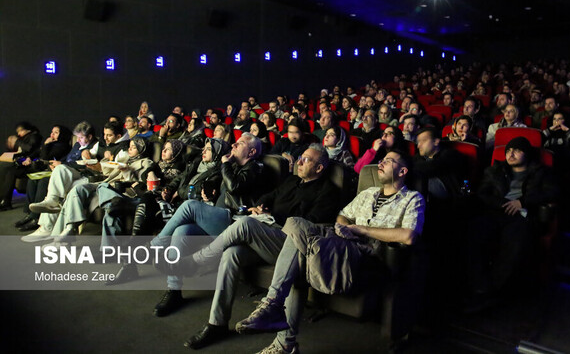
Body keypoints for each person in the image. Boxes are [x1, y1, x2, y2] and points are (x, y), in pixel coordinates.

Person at [233, 150, 424, 354]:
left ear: (402, 171)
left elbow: (409, 235)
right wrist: (344, 229)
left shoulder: (413, 198)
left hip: (369, 257)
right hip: (343, 244)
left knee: (297, 240)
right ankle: (278, 321)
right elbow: (342, 216)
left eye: (388, 161)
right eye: (382, 159)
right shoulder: (368, 193)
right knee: (296, 231)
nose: (381, 163)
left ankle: (278, 325)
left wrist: (360, 230)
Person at [161, 144, 340, 349]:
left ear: (319, 168)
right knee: (231, 253)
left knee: (245, 223)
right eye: (300, 157)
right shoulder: (292, 181)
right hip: (268, 235)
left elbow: (309, 225)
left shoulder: (328, 192)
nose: (299, 161)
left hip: (291, 244)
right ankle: (216, 323)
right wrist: (261, 206)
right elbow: (271, 196)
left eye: (306, 159)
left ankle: (197, 261)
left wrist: (275, 216)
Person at [149, 133, 266, 313]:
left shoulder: (255, 168)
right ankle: (174, 290)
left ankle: (156, 244)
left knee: (190, 206)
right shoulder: (233, 166)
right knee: (182, 231)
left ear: (251, 152)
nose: (234, 144)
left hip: (235, 223)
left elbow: (235, 187)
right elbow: (226, 191)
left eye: (240, 143)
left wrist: (225, 164)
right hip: (222, 217)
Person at [467, 137, 559, 306]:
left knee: (514, 242)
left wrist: (522, 202)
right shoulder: (494, 170)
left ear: (526, 154)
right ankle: (479, 286)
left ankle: (494, 290)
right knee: (474, 232)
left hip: (523, 215)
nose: (511, 154)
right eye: (508, 150)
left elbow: (552, 192)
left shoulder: (540, 172)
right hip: (496, 212)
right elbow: (482, 193)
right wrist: (501, 203)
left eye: (517, 150)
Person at [44, 138, 156, 245]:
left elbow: (140, 183)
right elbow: (108, 172)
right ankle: (70, 227)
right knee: (78, 189)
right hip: (107, 183)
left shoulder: (146, 163)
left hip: (121, 189)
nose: (130, 149)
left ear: (142, 149)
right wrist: (108, 160)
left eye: (134, 147)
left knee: (101, 190)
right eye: (130, 146)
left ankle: (60, 239)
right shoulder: (127, 160)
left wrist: (127, 172)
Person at [13, 125, 72, 230]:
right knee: (32, 180)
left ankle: (36, 217)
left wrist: (45, 145)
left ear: (62, 134)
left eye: (56, 132)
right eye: (52, 132)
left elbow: (44, 157)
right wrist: (29, 158)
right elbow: (37, 152)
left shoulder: (63, 146)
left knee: (42, 182)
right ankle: (30, 213)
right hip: (45, 170)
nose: (52, 134)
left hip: (55, 172)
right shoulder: (52, 144)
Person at [0, 121, 43, 210]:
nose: (19, 133)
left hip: (30, 164)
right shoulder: (23, 138)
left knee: (7, 168)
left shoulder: (35, 136)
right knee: (4, 167)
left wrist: (17, 141)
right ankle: (4, 199)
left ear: (27, 130)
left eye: (20, 131)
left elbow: (29, 149)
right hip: (21, 162)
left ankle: (5, 200)